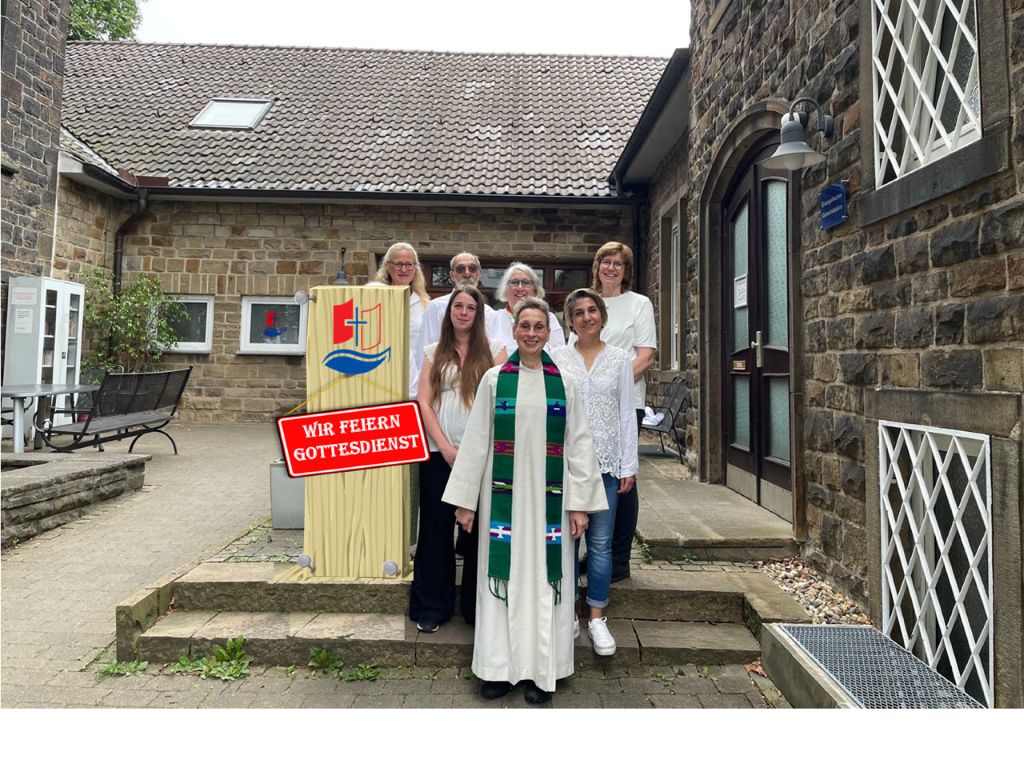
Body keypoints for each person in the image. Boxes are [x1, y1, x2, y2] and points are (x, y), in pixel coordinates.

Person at [444, 297, 606, 705]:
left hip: (551, 505)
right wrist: (466, 502)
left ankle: (541, 672)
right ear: (514, 330)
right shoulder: (496, 380)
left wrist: (581, 504)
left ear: (548, 334)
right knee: (504, 583)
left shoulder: (564, 384)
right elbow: (477, 441)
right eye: (525, 326)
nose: (532, 333)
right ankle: (499, 669)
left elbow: (580, 446)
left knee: (545, 585)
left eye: (539, 327)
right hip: (503, 503)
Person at [410, 286, 507, 633]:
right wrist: (445, 446)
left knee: (480, 532)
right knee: (436, 527)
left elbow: (502, 405)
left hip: (482, 456)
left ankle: (477, 607)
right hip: (440, 453)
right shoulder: (433, 352)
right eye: (458, 306)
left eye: (470, 307)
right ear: (449, 311)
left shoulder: (496, 351)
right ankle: (432, 606)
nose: (464, 312)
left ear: (479, 314)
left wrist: (471, 453)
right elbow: (424, 401)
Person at [552, 288, 637, 657]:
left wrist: (627, 465)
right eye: (579, 312)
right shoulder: (556, 358)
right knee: (566, 542)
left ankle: (597, 618)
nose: (587, 317)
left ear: (602, 316)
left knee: (600, 544)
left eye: (593, 310)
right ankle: (568, 614)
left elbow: (625, 414)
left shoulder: (619, 359)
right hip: (565, 465)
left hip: (605, 464)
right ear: (570, 320)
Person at [574, 241, 656, 582]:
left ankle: (617, 559)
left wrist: (611, 382)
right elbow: (572, 351)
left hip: (624, 401)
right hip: (584, 405)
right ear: (597, 266)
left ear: (626, 270)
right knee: (586, 471)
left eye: (618, 263)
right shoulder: (584, 302)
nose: (611, 268)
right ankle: (592, 552)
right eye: (605, 262)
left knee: (623, 477)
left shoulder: (639, 304)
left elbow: (646, 354)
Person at [416, 252, 501, 369]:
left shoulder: (489, 313)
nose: (467, 273)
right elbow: (423, 352)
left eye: (472, 269)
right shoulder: (436, 307)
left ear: (479, 274)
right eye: (460, 269)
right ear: (452, 275)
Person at [367, 242, 430, 396]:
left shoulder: (425, 306)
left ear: (415, 268)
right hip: (379, 380)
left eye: (409, 264)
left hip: (414, 386)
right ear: (388, 267)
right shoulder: (373, 301)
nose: (404, 270)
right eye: (398, 264)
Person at [491, 262, 566, 355]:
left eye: (526, 283)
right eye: (514, 282)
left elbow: (558, 354)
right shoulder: (493, 318)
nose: (520, 287)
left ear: (535, 290)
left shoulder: (549, 318)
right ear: (505, 289)